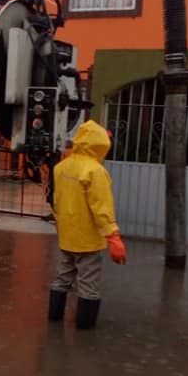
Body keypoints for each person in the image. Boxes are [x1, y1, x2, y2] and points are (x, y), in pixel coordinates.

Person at [48, 120, 127, 329]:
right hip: (88, 240)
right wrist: (113, 236)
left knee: (62, 278)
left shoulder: (61, 167)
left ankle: (54, 318)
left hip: (66, 237)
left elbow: (58, 200)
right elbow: (102, 207)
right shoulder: (95, 171)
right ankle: (84, 327)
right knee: (88, 284)